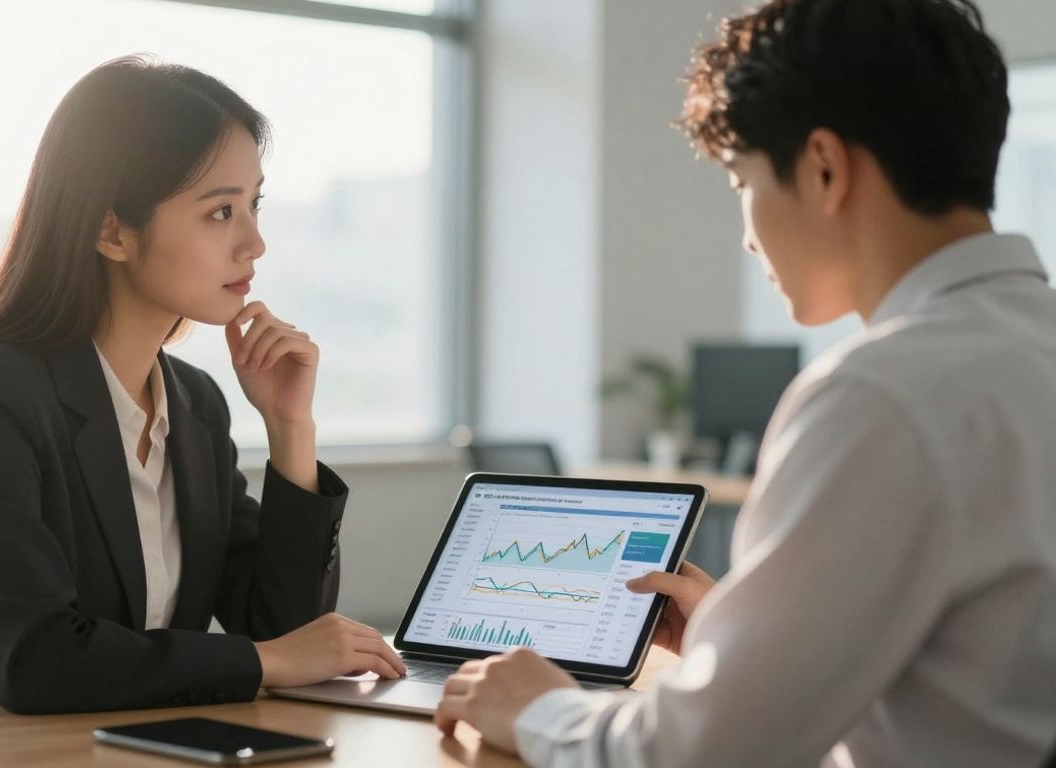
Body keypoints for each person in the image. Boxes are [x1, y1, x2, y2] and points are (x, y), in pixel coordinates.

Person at [434, 1, 1056, 764]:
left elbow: (700, 755)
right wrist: (747, 637)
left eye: (740, 183)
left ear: (824, 168)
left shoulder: (883, 397)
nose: (748, 236)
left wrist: (540, 710)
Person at [0, 56, 405, 714]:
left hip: (144, 745)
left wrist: (290, 428)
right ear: (112, 231)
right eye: (221, 212)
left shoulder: (195, 407)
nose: (254, 244)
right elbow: (37, 659)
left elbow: (283, 627)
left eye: (254, 205)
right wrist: (267, 662)